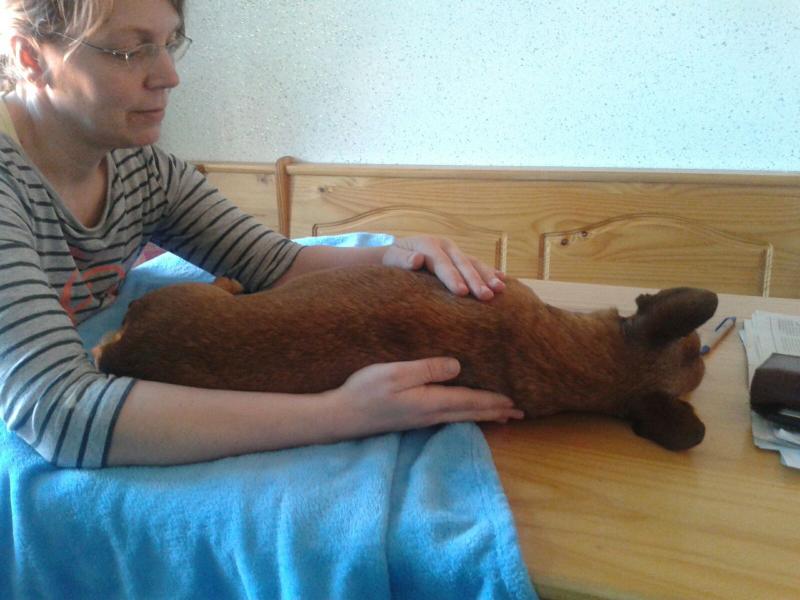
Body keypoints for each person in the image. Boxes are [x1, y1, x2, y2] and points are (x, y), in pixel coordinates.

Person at [0, 0, 523, 468]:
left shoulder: (143, 170)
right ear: (30, 57)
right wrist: (340, 413)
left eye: (168, 43)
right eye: (130, 51)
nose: (168, 76)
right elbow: (62, 411)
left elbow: (274, 264)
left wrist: (395, 254)